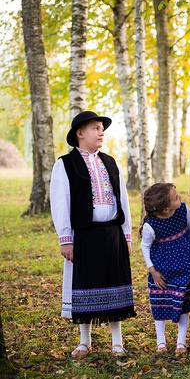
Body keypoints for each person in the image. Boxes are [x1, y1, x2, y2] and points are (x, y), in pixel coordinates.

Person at [50, 111, 135, 359]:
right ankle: (84, 341)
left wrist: (126, 234)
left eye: (102, 128)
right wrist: (65, 239)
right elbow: (60, 202)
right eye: (96, 128)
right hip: (83, 235)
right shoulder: (65, 164)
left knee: (114, 283)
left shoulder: (110, 162)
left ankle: (117, 342)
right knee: (84, 284)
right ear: (80, 133)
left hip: (112, 233)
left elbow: (123, 200)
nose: (101, 132)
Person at [140, 183, 190, 355]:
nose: (180, 198)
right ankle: (161, 342)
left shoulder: (183, 211)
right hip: (162, 271)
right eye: (176, 197)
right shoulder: (151, 225)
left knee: (183, 302)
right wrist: (153, 271)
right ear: (165, 209)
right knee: (160, 304)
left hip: (184, 266)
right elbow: (145, 246)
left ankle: (181, 342)